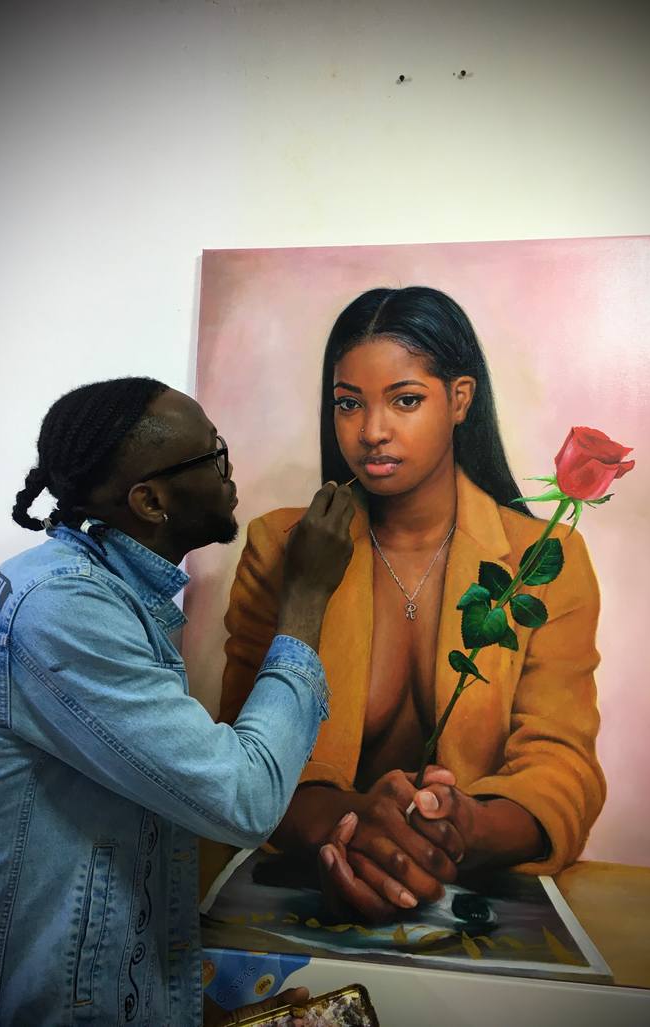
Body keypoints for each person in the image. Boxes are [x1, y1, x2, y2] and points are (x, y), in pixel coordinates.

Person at [0, 377, 357, 1027]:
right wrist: (306, 597)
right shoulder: (62, 608)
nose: (229, 470)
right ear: (150, 500)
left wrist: (198, 1013)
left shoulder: (108, 598)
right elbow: (244, 796)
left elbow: (123, 852)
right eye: (214, 455)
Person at [218, 286, 606, 923]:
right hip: (309, 883)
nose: (372, 432)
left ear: (460, 399)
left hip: (477, 897)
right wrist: (352, 826)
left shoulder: (542, 561)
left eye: (405, 400)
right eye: (349, 404)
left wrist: (463, 827)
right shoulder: (281, 547)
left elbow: (561, 764)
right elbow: (240, 757)